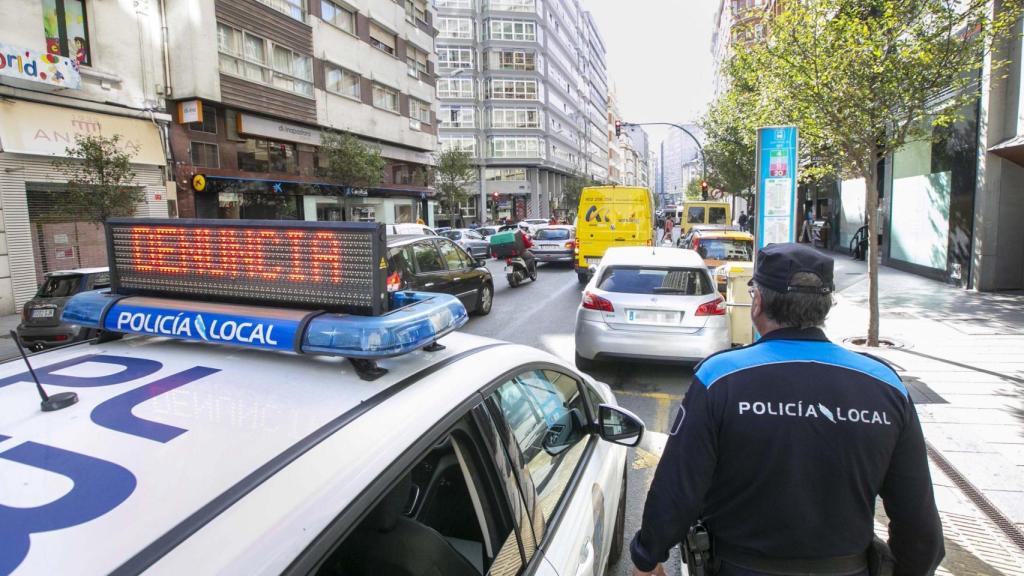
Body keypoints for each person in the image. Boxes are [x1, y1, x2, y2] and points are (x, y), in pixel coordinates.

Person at [630, 243, 943, 576]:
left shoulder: (719, 379)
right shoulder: (886, 385)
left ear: (758, 303)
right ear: (826, 306)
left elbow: (678, 487)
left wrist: (647, 558)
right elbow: (918, 519)